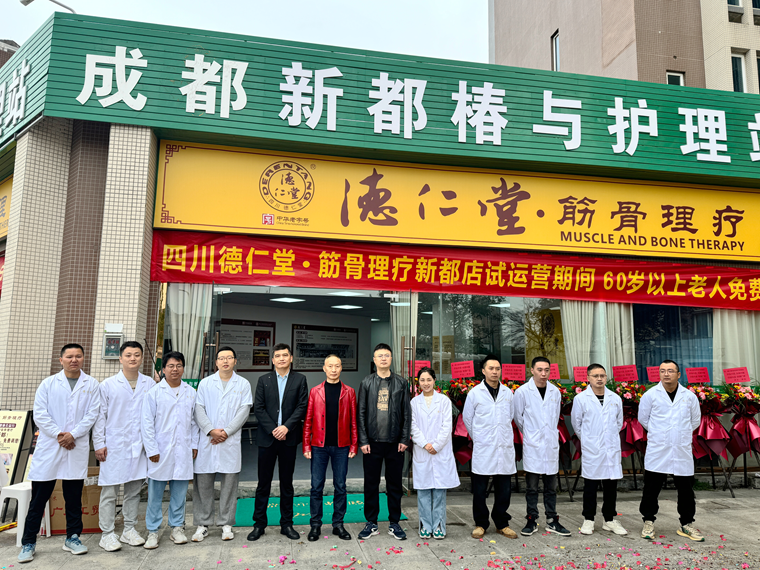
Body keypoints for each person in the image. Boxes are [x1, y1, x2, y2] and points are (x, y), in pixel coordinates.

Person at [18, 344, 101, 564]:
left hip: (75, 446)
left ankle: (72, 537)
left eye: (78, 356)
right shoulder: (48, 384)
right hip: (50, 446)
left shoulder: (92, 384)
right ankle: (28, 542)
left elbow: (92, 414)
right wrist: (59, 435)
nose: (74, 360)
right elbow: (40, 414)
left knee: (73, 497)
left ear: (83, 358)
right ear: (61, 359)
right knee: (39, 499)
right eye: (69, 356)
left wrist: (73, 435)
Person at [94, 341, 154, 551]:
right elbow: (100, 416)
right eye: (128, 355)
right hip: (114, 445)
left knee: (134, 491)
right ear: (120, 358)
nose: (133, 358)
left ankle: (129, 529)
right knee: (110, 491)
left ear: (142, 358)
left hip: (139, 445)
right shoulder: (108, 385)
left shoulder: (149, 384)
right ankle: (107, 533)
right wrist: (99, 443)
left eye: (137, 354)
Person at [248, 343, 308, 541]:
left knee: (287, 483)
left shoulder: (300, 379)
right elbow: (259, 407)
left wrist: (286, 427)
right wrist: (274, 429)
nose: (282, 358)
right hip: (267, 439)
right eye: (278, 356)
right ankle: (259, 524)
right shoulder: (263, 380)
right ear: (273, 360)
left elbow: (302, 406)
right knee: (263, 483)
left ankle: (287, 524)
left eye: (285, 355)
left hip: (288, 438)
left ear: (291, 358)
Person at [192, 346, 253, 542]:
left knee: (229, 484)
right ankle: (202, 524)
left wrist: (226, 432)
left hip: (229, 441)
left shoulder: (243, 384)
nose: (225, 361)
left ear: (235, 361)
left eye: (229, 358)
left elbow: (244, 411)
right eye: (221, 358)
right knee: (203, 484)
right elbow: (198, 409)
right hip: (208, 439)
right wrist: (211, 430)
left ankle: (226, 523)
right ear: (216, 362)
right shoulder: (205, 383)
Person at [638, 359, 703, 541]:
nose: (666, 374)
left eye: (670, 371)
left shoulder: (689, 396)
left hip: (681, 449)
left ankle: (686, 523)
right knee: (651, 488)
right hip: (658, 449)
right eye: (663, 371)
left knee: (686, 490)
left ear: (678, 374)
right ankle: (648, 521)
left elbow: (695, 421)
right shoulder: (650, 395)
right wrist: (661, 433)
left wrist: (679, 434)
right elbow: (643, 419)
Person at [141, 351, 199, 549]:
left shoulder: (190, 392)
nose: (175, 369)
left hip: (183, 450)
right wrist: (151, 449)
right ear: (163, 369)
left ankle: (177, 527)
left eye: (179, 365)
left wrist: (194, 445)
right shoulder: (154, 393)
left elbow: (194, 423)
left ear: (183, 368)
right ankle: (153, 530)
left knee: (179, 493)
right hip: (160, 450)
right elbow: (147, 423)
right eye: (171, 366)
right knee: (155, 494)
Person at [357, 343, 411, 541]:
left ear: (391, 358)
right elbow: (361, 413)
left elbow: (406, 413)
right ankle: (371, 522)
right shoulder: (366, 382)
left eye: (386, 355)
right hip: (372, 443)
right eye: (379, 356)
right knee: (371, 484)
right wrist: (363, 440)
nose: (383, 359)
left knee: (394, 485)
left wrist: (404, 438)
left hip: (395, 443)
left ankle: (394, 523)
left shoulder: (401, 383)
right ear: (374, 359)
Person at [513, 356, 570, 537]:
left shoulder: (555, 392)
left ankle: (552, 520)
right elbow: (518, 418)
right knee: (531, 487)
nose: (543, 373)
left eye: (546, 370)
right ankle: (531, 519)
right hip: (533, 444)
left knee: (551, 487)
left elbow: (555, 416)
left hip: (550, 444)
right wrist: (532, 433)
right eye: (539, 370)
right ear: (532, 370)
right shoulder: (522, 392)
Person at [303, 355, 358, 542]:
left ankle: (338, 524)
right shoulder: (315, 391)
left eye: (337, 366)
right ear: (324, 368)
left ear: (341, 368)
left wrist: (354, 444)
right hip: (318, 446)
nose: (334, 369)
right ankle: (315, 525)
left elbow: (353, 421)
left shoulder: (349, 392)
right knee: (316, 487)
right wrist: (306, 444)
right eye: (330, 366)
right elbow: (308, 420)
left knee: (340, 486)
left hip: (342, 446)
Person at [462, 355, 517, 540]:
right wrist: (479, 437)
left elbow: (511, 416)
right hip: (484, 447)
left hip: (503, 446)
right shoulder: (475, 393)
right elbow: (468, 419)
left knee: (504, 489)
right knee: (480, 489)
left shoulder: (508, 393)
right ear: (483, 371)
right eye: (491, 368)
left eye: (497, 368)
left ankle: (502, 523)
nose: (495, 372)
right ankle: (481, 523)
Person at [570, 363, 627, 536]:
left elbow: (619, 422)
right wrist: (590, 440)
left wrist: (607, 438)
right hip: (592, 448)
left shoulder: (615, 398)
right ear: (588, 378)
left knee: (611, 486)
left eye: (602, 375)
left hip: (610, 447)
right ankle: (589, 519)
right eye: (595, 376)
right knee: (590, 486)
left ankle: (609, 519)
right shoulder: (581, 399)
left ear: (606, 377)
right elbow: (576, 424)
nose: (599, 379)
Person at [412, 367, 459, 540]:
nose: (426, 383)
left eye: (429, 380)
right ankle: (425, 525)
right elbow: (412, 426)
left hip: (440, 451)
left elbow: (447, 426)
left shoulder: (444, 401)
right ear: (418, 382)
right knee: (423, 490)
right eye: (422, 380)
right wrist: (425, 444)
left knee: (439, 491)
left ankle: (439, 524)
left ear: (434, 381)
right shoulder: (414, 403)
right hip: (422, 450)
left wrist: (436, 445)